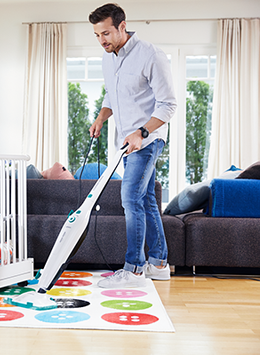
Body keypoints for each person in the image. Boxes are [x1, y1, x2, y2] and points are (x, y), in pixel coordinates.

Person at [88, 3, 177, 288]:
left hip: (147, 139)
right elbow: (111, 96)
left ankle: (134, 269)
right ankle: (159, 263)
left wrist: (141, 132)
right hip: (125, 143)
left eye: (106, 33)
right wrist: (102, 117)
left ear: (122, 26)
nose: (102, 40)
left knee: (130, 199)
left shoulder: (151, 55)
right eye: (97, 35)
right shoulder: (108, 58)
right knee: (146, 199)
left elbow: (168, 105)